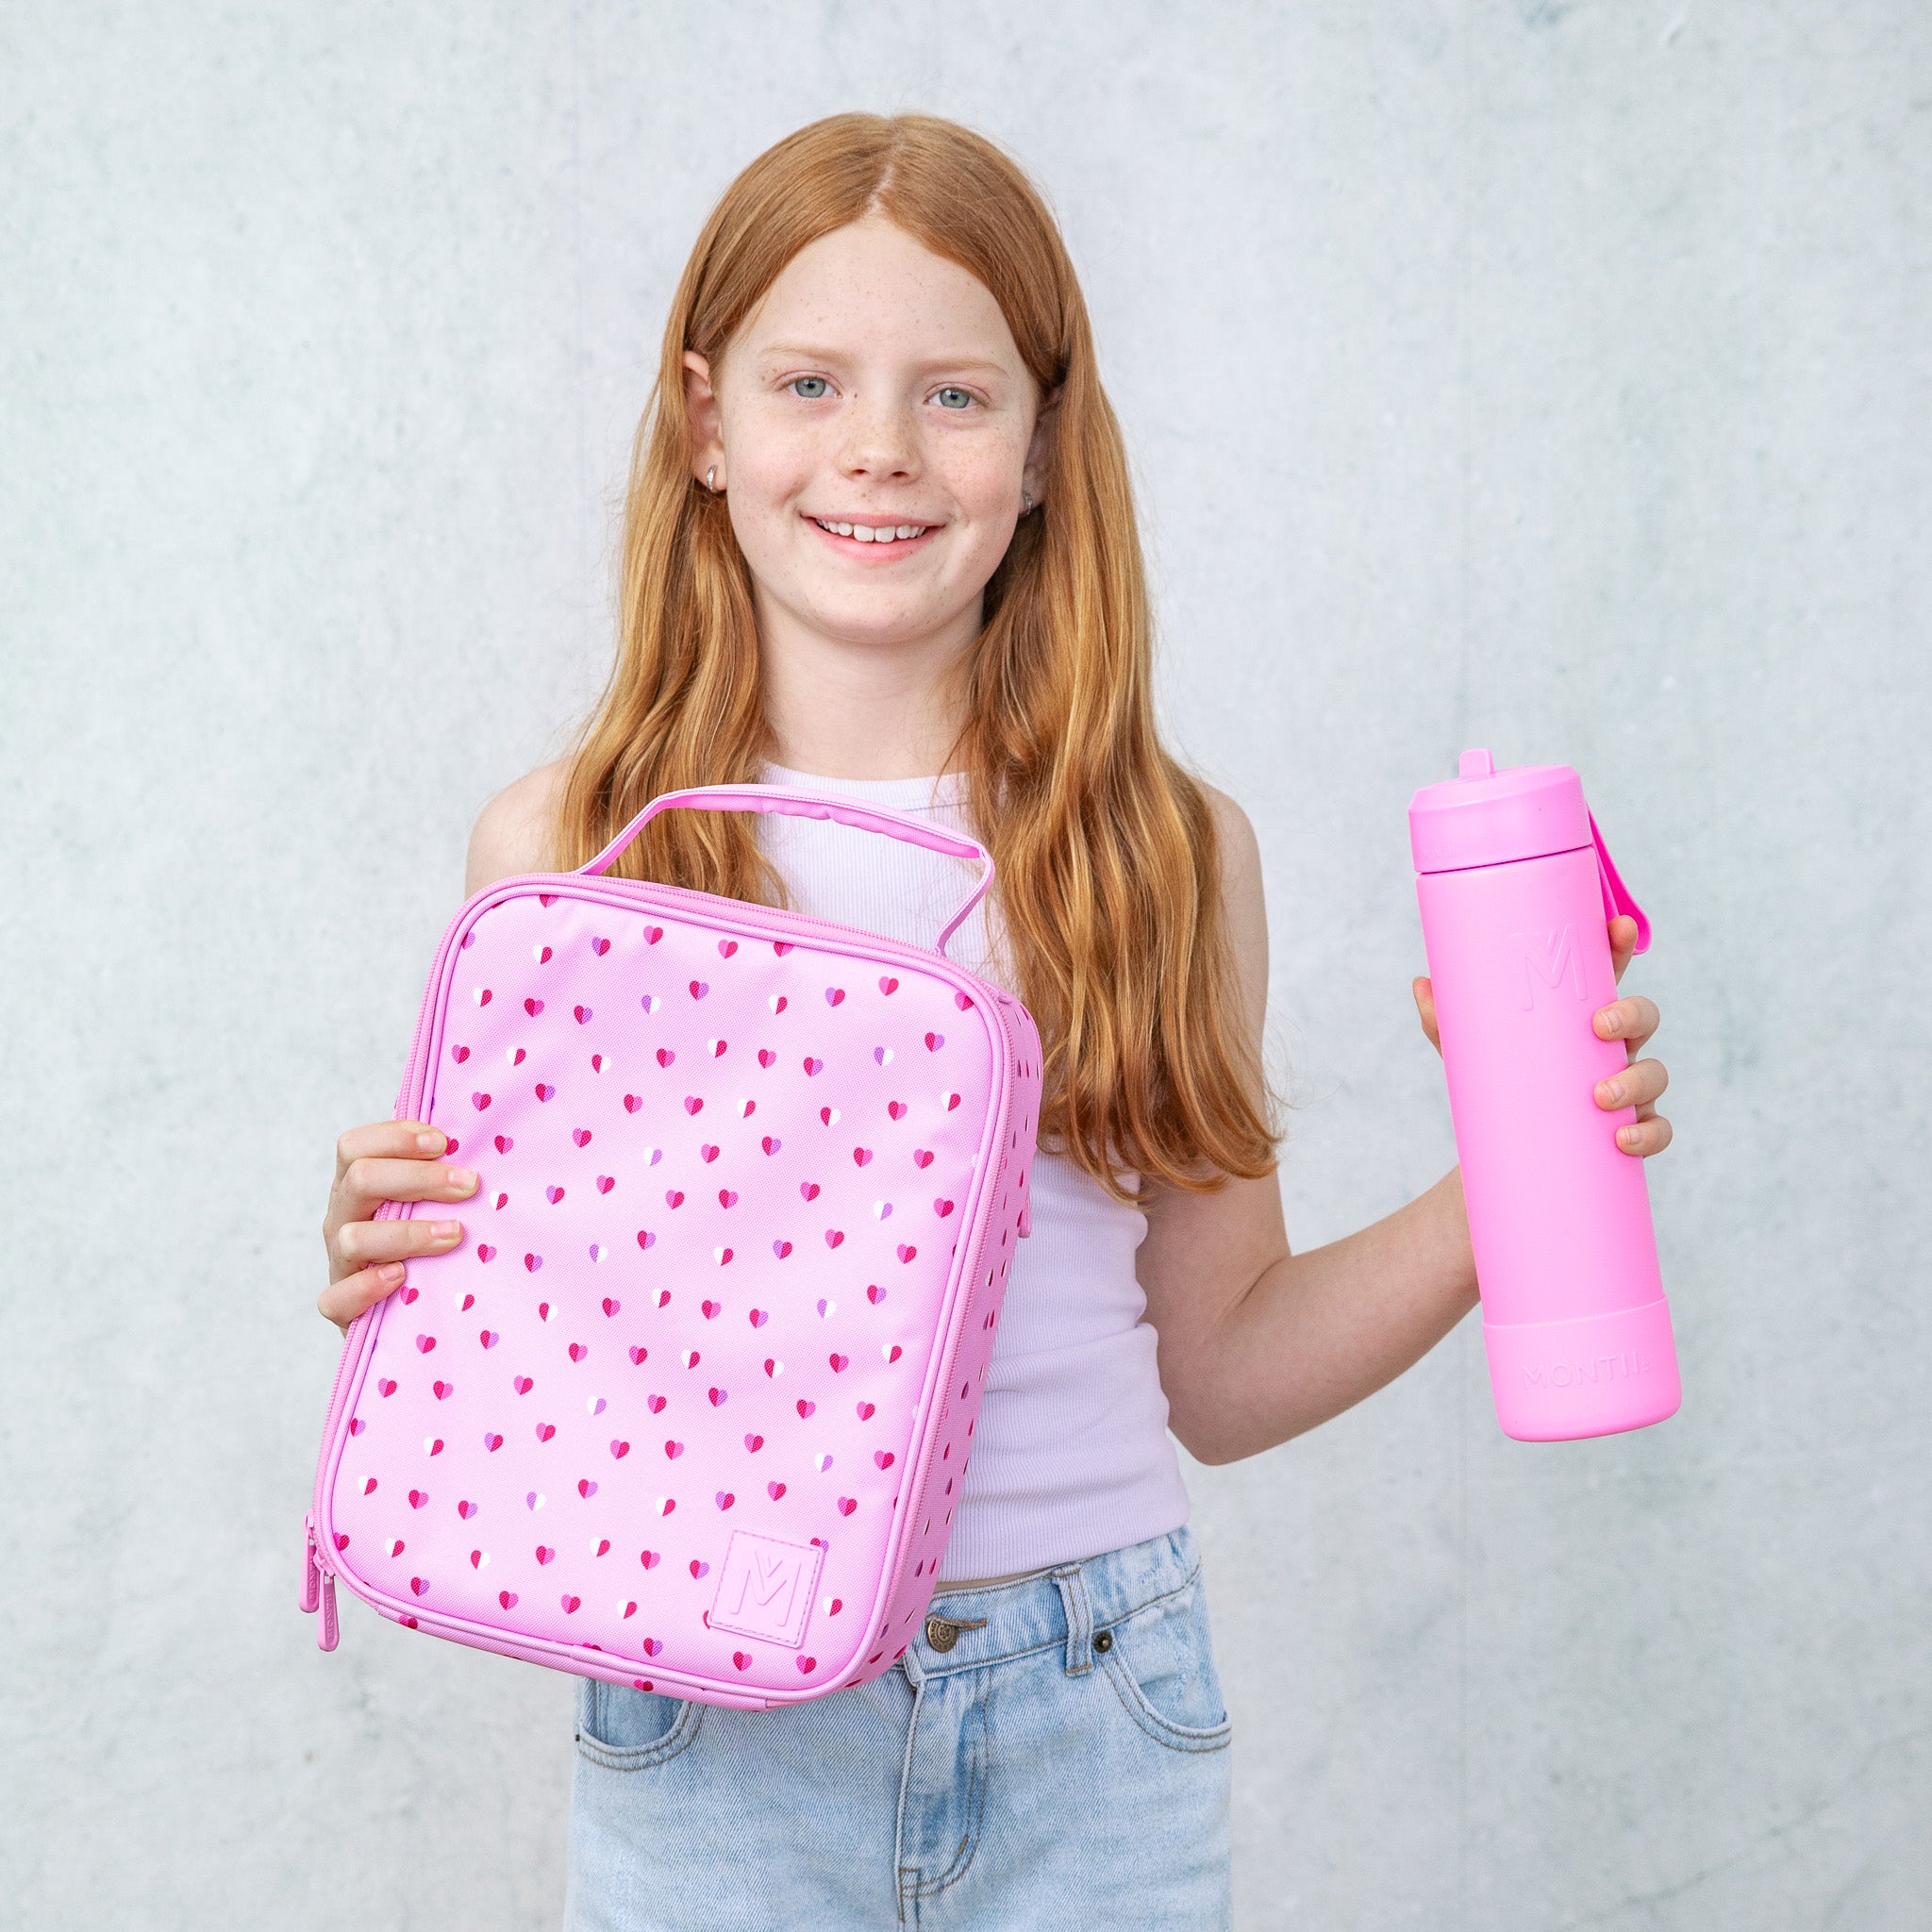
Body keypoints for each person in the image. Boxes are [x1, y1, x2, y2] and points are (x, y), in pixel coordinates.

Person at [316, 111, 1673, 1931]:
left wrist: (1526, 1166)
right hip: (709, 1721)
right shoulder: (565, 854)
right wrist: (404, 1272)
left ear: (1044, 447)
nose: (878, 448)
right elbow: (549, 1363)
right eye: (809, 382)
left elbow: (1222, 1370)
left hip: (1093, 1704)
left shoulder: (1162, 859)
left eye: (956, 396)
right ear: (706, 422)